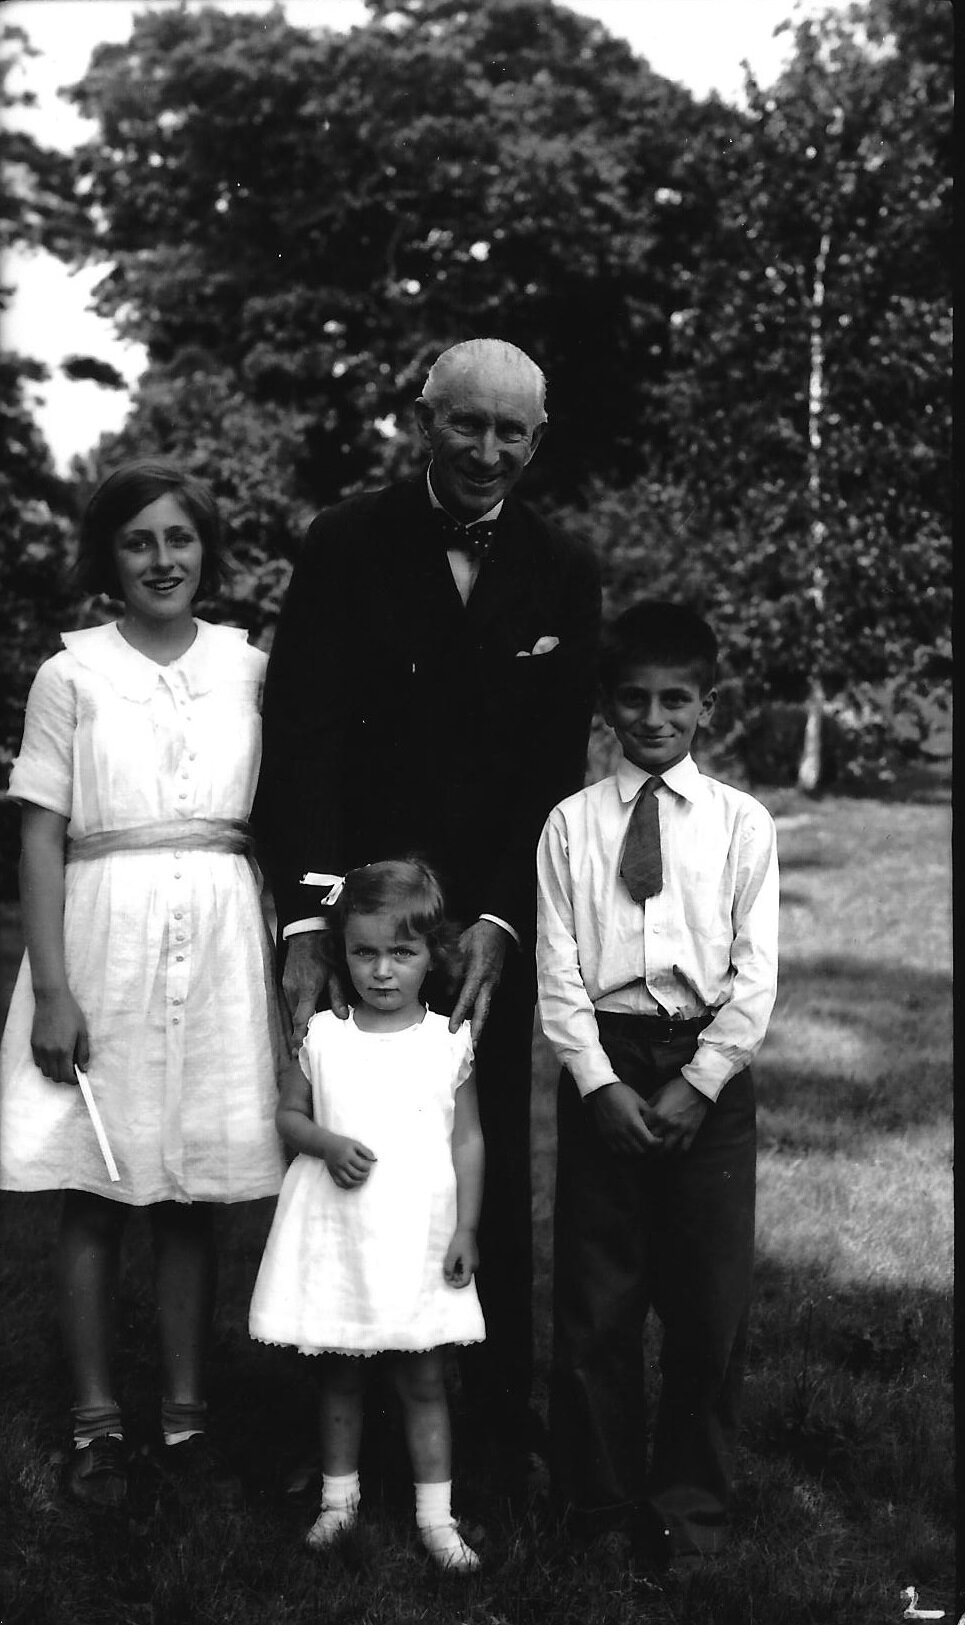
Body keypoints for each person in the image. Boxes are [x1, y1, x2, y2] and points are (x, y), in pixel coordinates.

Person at [254, 338, 600, 1461]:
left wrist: (502, 916)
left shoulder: (562, 566)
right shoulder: (347, 541)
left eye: (512, 432)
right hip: (359, 924)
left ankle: (487, 1426)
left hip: (477, 926)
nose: (488, 449)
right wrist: (310, 916)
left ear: (536, 441)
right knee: (345, 1150)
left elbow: (552, 765)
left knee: (473, 1145)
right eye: (467, 423)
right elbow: (300, 731)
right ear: (421, 419)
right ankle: (330, 1423)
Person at [0, 459, 287, 1508]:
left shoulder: (250, 668)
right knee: (93, 1187)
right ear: (107, 560)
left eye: (179, 537)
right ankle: (93, 1425)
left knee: (189, 1195)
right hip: (102, 934)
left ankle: (184, 1417)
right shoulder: (70, 675)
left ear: (205, 548)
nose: (162, 559)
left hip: (216, 934)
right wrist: (54, 990)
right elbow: (38, 833)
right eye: (138, 541)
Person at [536, 601, 779, 1572]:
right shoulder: (569, 825)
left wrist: (703, 1078)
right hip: (607, 1063)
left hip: (705, 1071)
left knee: (706, 1303)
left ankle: (688, 1515)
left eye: (673, 697)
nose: (651, 715)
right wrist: (594, 1079)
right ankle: (593, 1509)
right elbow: (558, 966)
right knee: (596, 1302)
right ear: (605, 705)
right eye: (632, 697)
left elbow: (755, 971)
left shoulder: (737, 823)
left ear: (704, 706)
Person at [249, 859, 485, 1569]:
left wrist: (468, 1225)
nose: (381, 971)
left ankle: (436, 1519)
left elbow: (467, 1138)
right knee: (341, 1373)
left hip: (417, 1233)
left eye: (401, 953)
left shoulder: (447, 1040)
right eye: (363, 952)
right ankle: (337, 1501)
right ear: (341, 949)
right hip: (342, 1234)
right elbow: (288, 1116)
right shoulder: (322, 1035)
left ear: (431, 955)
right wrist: (324, 1141)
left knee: (423, 1377)